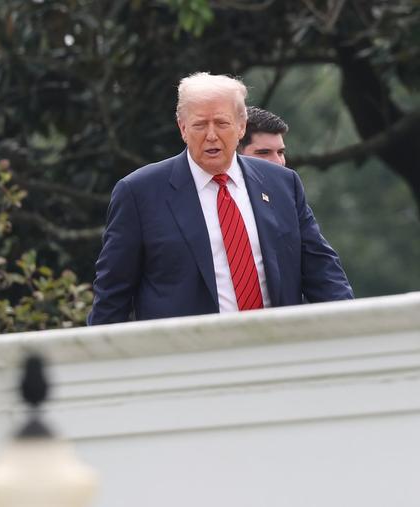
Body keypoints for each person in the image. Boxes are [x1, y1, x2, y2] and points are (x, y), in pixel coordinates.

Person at [88, 72, 353, 324]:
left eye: (222, 123)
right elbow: (112, 295)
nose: (211, 135)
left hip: (275, 350)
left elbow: (322, 270)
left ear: (241, 127)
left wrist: (355, 329)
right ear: (182, 128)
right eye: (200, 124)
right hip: (189, 359)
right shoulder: (139, 192)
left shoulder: (282, 183)